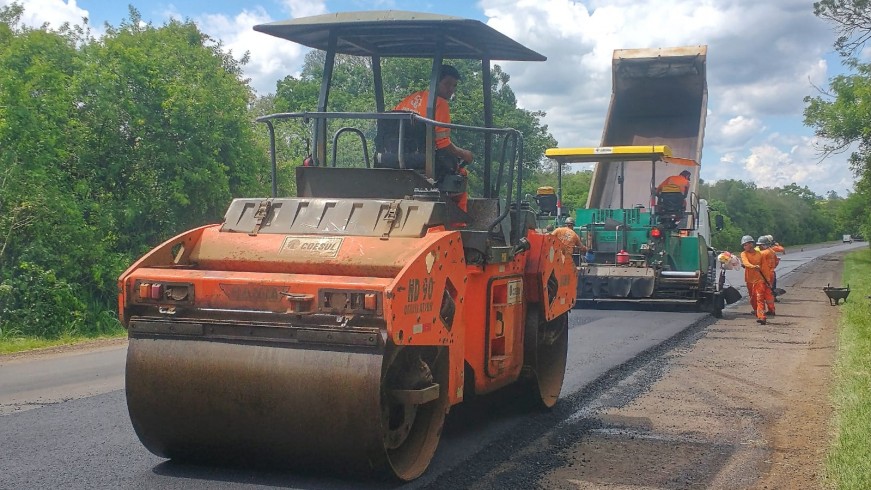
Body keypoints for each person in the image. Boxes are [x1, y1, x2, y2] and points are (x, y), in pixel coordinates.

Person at [394, 65, 473, 211]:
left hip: (393, 156)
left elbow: (392, 123)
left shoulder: (414, 97)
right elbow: (443, 144)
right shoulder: (440, 104)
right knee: (461, 174)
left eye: (454, 85)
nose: (451, 89)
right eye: (447, 84)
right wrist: (464, 154)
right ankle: (459, 223)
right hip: (423, 161)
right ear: (436, 82)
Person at [740, 234, 773, 324]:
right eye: (743, 245)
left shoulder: (760, 254)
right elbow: (746, 263)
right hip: (750, 280)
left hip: (760, 280)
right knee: (752, 299)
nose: (744, 246)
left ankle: (762, 317)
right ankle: (757, 312)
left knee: (759, 298)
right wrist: (753, 266)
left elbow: (765, 268)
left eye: (745, 244)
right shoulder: (743, 254)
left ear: (751, 244)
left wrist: (767, 280)